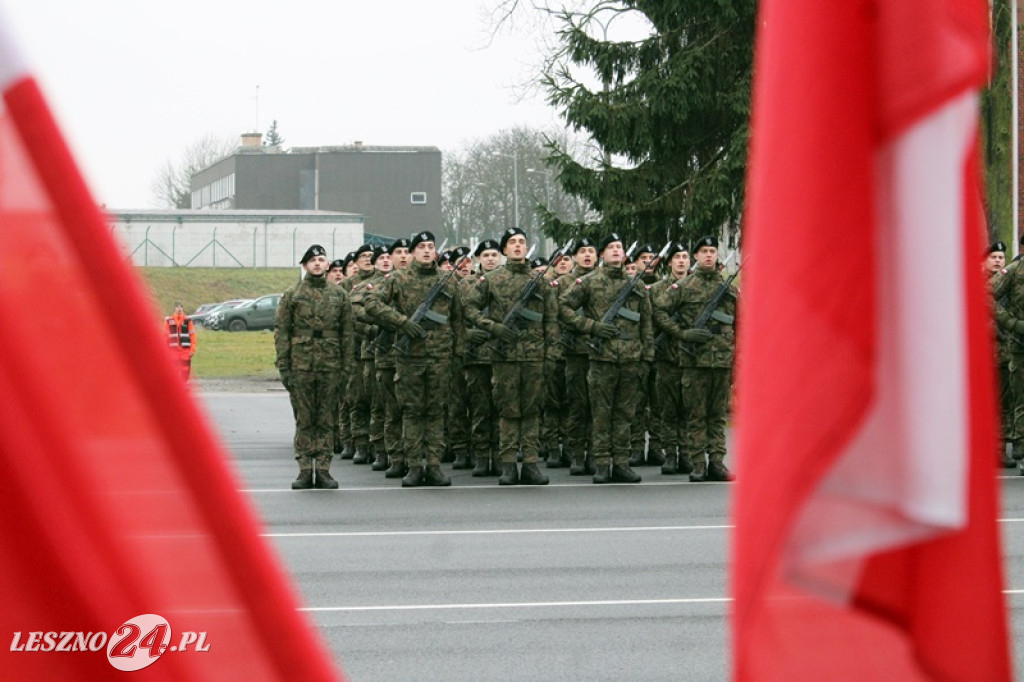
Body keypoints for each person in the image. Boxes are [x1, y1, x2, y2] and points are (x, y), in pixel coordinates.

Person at [364, 231, 463, 487]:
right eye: (422, 247)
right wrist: (402, 323)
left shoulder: (448, 280)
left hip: (440, 356)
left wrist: (458, 354)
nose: (428, 251)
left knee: (435, 412)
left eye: (431, 247)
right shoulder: (398, 279)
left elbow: (458, 320)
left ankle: (434, 465)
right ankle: (414, 466)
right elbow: (371, 303)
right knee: (412, 412)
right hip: (410, 357)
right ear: (412, 253)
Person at [464, 227, 558, 485]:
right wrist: (491, 326)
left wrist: (551, 355)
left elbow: (552, 319)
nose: (518, 246)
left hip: (534, 355)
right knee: (507, 410)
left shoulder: (540, 280)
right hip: (504, 356)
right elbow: (468, 307)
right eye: (512, 243)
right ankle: (508, 465)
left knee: (531, 410)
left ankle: (530, 463)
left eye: (521, 242)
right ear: (504, 249)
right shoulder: (492, 279)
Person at [559, 233, 652, 484]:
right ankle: (602, 463)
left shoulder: (637, 285)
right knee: (601, 413)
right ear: (602, 254)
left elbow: (646, 322)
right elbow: (563, 306)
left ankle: (621, 463)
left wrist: (646, 356)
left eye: (619, 247)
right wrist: (590, 326)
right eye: (610, 248)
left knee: (625, 414)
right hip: (601, 359)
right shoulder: (589, 282)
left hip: (631, 359)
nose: (615, 251)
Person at [275, 244, 353, 490]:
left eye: (321, 259)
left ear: (327, 264)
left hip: (331, 365)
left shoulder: (339, 295)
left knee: (327, 419)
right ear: (305, 265)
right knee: (305, 418)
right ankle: (304, 469)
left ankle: (323, 469)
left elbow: (347, 334)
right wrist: (284, 365)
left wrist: (346, 367)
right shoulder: (293, 294)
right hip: (301, 365)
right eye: (312, 260)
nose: (317, 264)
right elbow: (282, 332)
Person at [672, 236, 738, 482]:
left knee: (717, 415)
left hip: (721, 361)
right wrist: (682, 333)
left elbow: (741, 323)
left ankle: (717, 462)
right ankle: (698, 463)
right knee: (696, 414)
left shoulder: (729, 289)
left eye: (712, 251)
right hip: (694, 361)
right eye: (704, 251)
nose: (709, 255)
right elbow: (658, 310)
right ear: (696, 257)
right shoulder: (685, 287)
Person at [555, 237, 598, 474]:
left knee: (597, 407)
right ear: (574, 257)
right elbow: (556, 315)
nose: (588, 255)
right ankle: (576, 455)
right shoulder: (563, 283)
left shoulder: (603, 280)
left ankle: (595, 454)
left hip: (601, 353)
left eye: (591, 251)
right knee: (576, 405)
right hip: (574, 352)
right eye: (582, 251)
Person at [650, 242, 692, 474]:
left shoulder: (696, 287)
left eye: (685, 257)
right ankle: (670, 454)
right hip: (665, 358)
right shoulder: (656, 290)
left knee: (688, 408)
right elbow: (651, 322)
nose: (681, 261)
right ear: (669, 263)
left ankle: (686, 454)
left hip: (691, 358)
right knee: (668, 409)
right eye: (677, 257)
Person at [464, 238, 503, 476]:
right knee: (479, 409)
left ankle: (500, 455)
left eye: (494, 254)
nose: (490, 258)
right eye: (486, 255)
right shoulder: (466, 283)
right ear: (478, 258)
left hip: (502, 355)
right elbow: (456, 317)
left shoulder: (507, 281)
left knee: (501, 408)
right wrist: (468, 334)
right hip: (476, 357)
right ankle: (481, 455)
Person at [165, 302, 197, 380]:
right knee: (173, 369)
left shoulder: (188, 321)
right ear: (174, 309)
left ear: (182, 308)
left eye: (181, 307)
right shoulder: (169, 321)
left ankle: (184, 384)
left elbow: (193, 336)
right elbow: (165, 337)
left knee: (185, 370)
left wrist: (192, 350)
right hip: (173, 350)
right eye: (177, 307)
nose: (179, 309)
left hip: (185, 350)